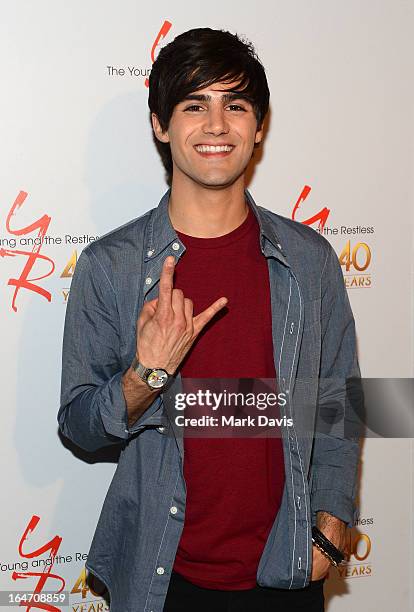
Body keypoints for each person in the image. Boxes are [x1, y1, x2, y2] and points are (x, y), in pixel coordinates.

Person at [58, 27, 361, 612]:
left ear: (259, 126)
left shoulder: (309, 260)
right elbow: (78, 425)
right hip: (161, 576)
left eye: (236, 104)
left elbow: (339, 401)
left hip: (289, 567)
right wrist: (145, 374)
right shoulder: (110, 267)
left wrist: (330, 522)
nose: (217, 124)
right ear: (160, 124)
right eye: (195, 105)